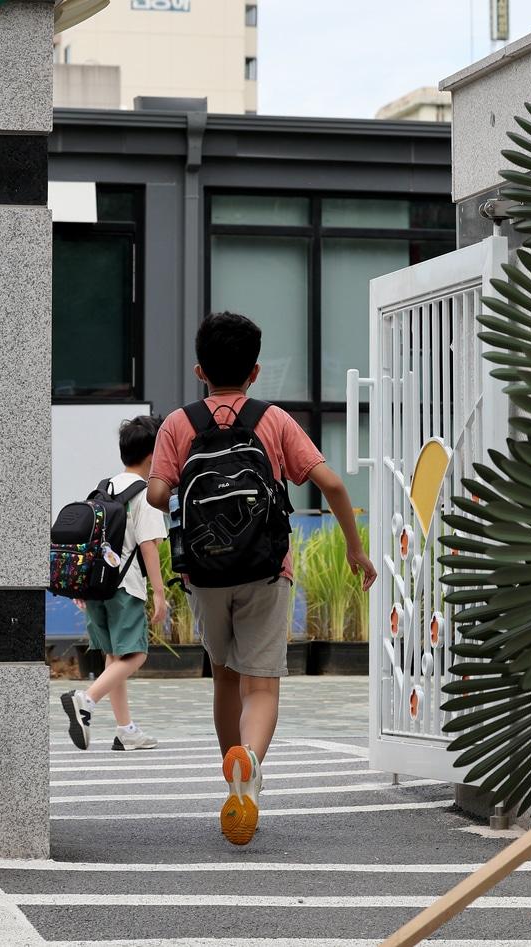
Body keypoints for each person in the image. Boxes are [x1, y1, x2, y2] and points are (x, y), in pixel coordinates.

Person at [146, 311, 377, 846]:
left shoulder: (178, 424)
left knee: (225, 676)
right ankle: (249, 766)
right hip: (267, 569)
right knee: (262, 684)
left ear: (200, 369)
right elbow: (333, 484)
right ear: (254, 372)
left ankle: (232, 778)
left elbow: (158, 496)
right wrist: (355, 548)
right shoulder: (271, 420)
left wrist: (176, 482)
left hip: (205, 572)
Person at [61, 415, 170, 752]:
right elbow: (149, 546)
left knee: (114, 657)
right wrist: (161, 595)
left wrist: (79, 587)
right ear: (153, 456)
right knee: (135, 655)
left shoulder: (103, 487)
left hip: (97, 587)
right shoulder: (146, 494)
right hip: (126, 588)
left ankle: (126, 730)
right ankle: (86, 700)